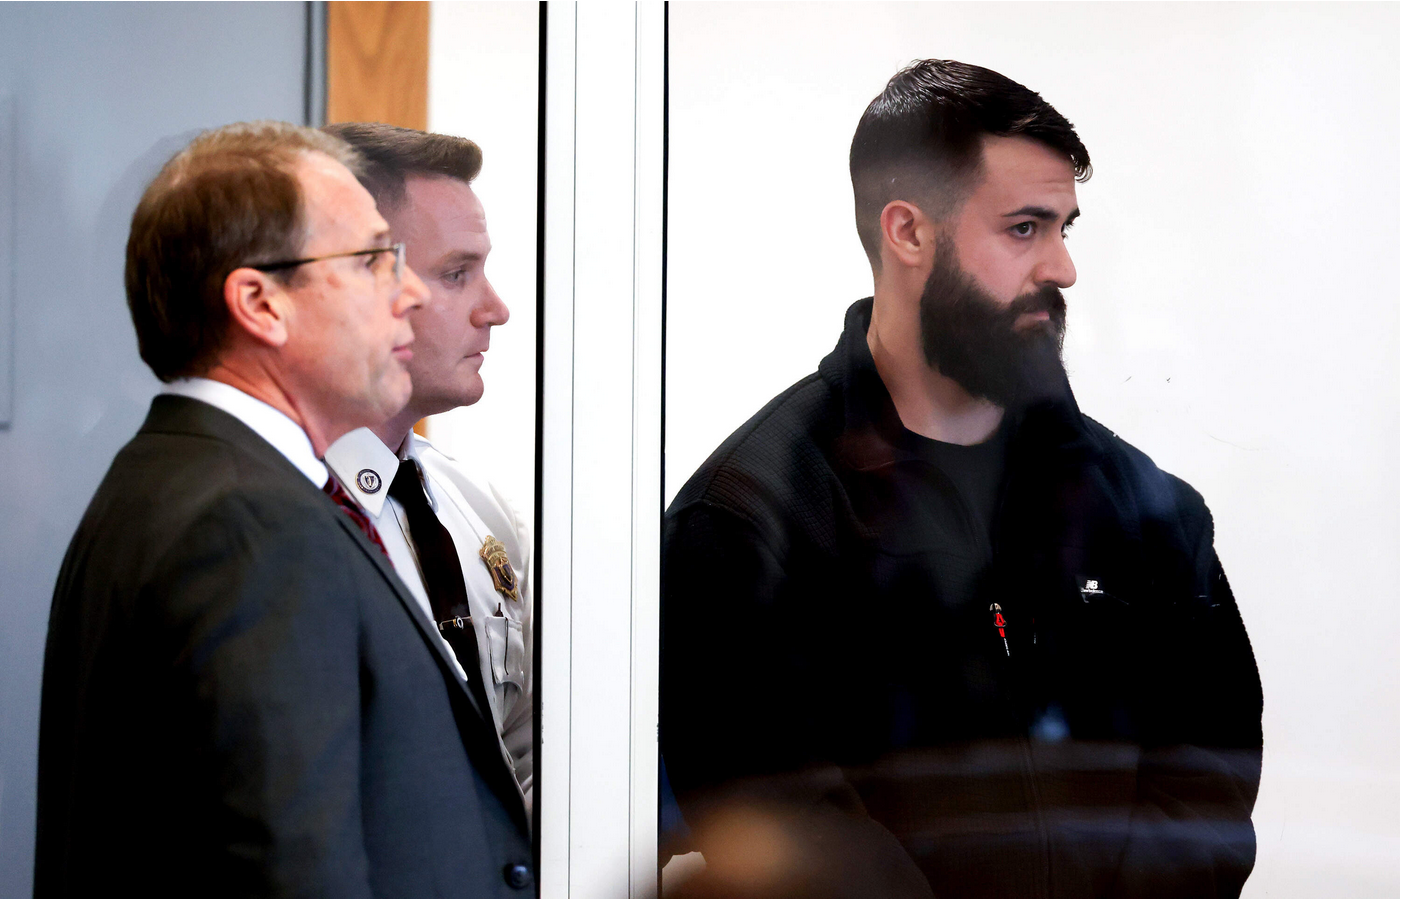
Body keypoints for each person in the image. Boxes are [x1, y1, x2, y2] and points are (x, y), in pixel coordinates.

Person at [659, 60, 1262, 897]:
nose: (1062, 269)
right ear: (908, 232)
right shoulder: (750, 521)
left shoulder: (1143, 511)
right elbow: (786, 826)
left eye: (1065, 229)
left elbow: (1207, 782)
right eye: (1024, 229)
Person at [34, 121, 534, 898]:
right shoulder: (248, 528)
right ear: (261, 304)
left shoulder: (178, 477)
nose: (405, 293)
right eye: (372, 260)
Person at [318, 123, 533, 816]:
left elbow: (524, 765)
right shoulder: (287, 517)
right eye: (455, 274)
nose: (494, 309)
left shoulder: (476, 506)